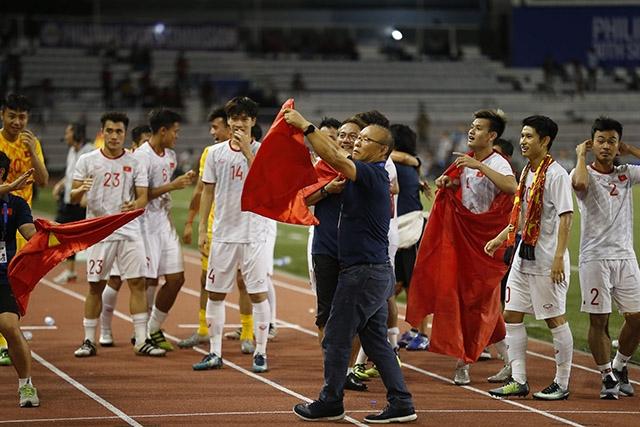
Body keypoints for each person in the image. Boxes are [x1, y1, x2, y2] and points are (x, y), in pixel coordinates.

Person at [285, 108, 417, 423]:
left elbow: (336, 158)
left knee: (334, 335)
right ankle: (401, 402)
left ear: (382, 150)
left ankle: (331, 400)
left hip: (363, 271)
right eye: (358, 138)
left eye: (366, 140)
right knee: (374, 340)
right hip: (368, 269)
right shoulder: (364, 173)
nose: (357, 143)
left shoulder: (373, 173)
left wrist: (306, 126)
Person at [487, 115, 574, 400]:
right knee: (511, 314)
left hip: (548, 260)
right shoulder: (528, 172)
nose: (523, 141)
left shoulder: (557, 174)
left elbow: (566, 217)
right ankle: (519, 379)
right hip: (524, 256)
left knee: (554, 319)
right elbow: (522, 215)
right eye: (522, 136)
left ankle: (561, 383)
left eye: (528, 136)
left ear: (544, 140)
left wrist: (560, 257)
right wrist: (501, 237)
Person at [71, 111, 164, 358]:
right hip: (99, 231)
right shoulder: (88, 160)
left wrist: (135, 205)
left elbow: (143, 197)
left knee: (138, 283)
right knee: (95, 286)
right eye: (110, 131)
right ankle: (89, 340)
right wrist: (81, 189)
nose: (114, 136)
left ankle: (142, 339)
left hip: (129, 230)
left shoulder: (135, 162)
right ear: (103, 133)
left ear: (125, 133)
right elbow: (72, 197)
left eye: (119, 132)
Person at [192, 96, 273, 373]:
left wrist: (248, 151)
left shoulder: (264, 151)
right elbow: (207, 192)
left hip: (254, 233)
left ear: (252, 121)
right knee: (214, 293)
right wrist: (203, 228)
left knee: (258, 293)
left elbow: (263, 185)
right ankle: (214, 352)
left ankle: (261, 352)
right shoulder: (214, 153)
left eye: (244, 118)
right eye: (234, 118)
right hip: (224, 232)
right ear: (228, 121)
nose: (238, 123)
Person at [571, 117, 640, 399]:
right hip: (595, 258)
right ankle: (606, 377)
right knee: (599, 321)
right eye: (601, 140)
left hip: (625, 256)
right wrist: (579, 155)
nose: (606, 146)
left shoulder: (627, 172)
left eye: (612, 141)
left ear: (618, 144)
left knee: (637, 318)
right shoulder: (581, 171)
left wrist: (632, 150)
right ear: (592, 143)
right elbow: (580, 185)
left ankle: (620, 365)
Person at [305, 115, 367, 392]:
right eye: (341, 135)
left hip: (357, 252)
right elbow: (304, 199)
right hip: (326, 248)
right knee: (326, 315)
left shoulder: (365, 169)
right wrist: (327, 190)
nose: (345, 139)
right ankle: (332, 371)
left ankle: (351, 369)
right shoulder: (322, 167)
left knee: (357, 315)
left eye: (352, 135)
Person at [130, 109, 195, 351]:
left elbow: (163, 195)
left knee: (177, 278)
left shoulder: (170, 156)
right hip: (144, 224)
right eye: (175, 131)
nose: (177, 136)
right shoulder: (141, 157)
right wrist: (173, 185)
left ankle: (153, 328)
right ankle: (142, 333)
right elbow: (142, 197)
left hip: (163, 224)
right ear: (163, 131)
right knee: (148, 280)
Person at [0, 93, 48, 366]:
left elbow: (42, 180)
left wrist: (31, 151)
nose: (17, 122)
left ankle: (8, 336)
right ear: (2, 114)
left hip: (20, 220)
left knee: (15, 284)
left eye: (22, 117)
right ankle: (5, 341)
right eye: (12, 116)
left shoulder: (32, 143)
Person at [179, 107, 232, 348]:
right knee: (205, 279)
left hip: (244, 228)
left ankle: (249, 332)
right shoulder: (210, 153)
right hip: (214, 226)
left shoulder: (253, 151)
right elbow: (201, 190)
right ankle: (203, 329)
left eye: (216, 127)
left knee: (244, 282)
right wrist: (191, 223)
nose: (212, 132)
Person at [0, 159, 39, 407]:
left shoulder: (16, 203)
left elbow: (30, 234)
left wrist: (56, 239)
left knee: (10, 328)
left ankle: (26, 386)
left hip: (3, 277)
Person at [52, 123, 94, 284]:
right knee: (64, 233)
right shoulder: (71, 151)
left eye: (68, 133)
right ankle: (70, 271)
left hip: (82, 202)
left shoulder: (90, 151)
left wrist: (87, 195)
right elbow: (71, 174)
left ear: (76, 134)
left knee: (87, 236)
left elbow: (95, 176)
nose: (66, 137)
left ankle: (108, 267)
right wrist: (60, 184)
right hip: (69, 199)